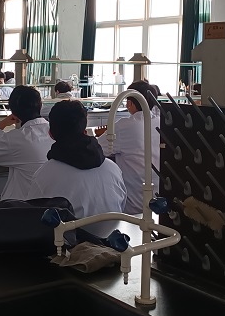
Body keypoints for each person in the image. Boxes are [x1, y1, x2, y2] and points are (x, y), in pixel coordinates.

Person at [27, 100, 126, 223]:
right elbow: (121, 207)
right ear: (84, 130)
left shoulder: (44, 175)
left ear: (50, 133)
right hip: (113, 233)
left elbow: (35, 219)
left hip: (71, 236)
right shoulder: (113, 170)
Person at [95, 80, 160, 215]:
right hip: (159, 202)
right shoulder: (160, 122)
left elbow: (97, 148)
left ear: (130, 103)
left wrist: (103, 134)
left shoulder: (125, 126)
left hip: (134, 205)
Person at [0, 86, 53, 200]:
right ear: (40, 105)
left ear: (13, 112)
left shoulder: (16, 138)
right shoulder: (55, 131)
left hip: (23, 205)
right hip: (52, 204)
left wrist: (1, 126)